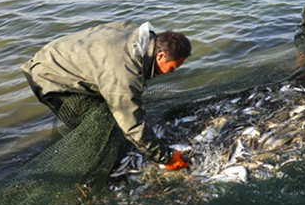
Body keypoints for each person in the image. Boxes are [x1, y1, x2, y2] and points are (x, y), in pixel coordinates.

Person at [21, 21, 191, 170]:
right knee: (97, 133)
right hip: (49, 78)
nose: (172, 72)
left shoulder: (137, 34)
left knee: (112, 117)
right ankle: (98, 171)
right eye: (173, 67)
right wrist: (166, 157)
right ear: (160, 56)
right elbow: (132, 125)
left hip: (56, 54)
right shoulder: (125, 72)